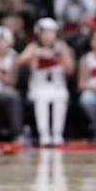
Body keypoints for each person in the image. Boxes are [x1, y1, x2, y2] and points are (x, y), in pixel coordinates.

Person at [18, 18, 75, 147]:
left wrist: (60, 57)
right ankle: (44, 134)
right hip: (39, 86)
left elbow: (70, 69)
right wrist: (35, 54)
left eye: (51, 32)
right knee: (41, 100)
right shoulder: (33, 46)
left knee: (61, 97)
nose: (48, 36)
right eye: (45, 32)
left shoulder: (61, 47)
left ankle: (57, 134)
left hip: (57, 86)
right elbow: (20, 61)